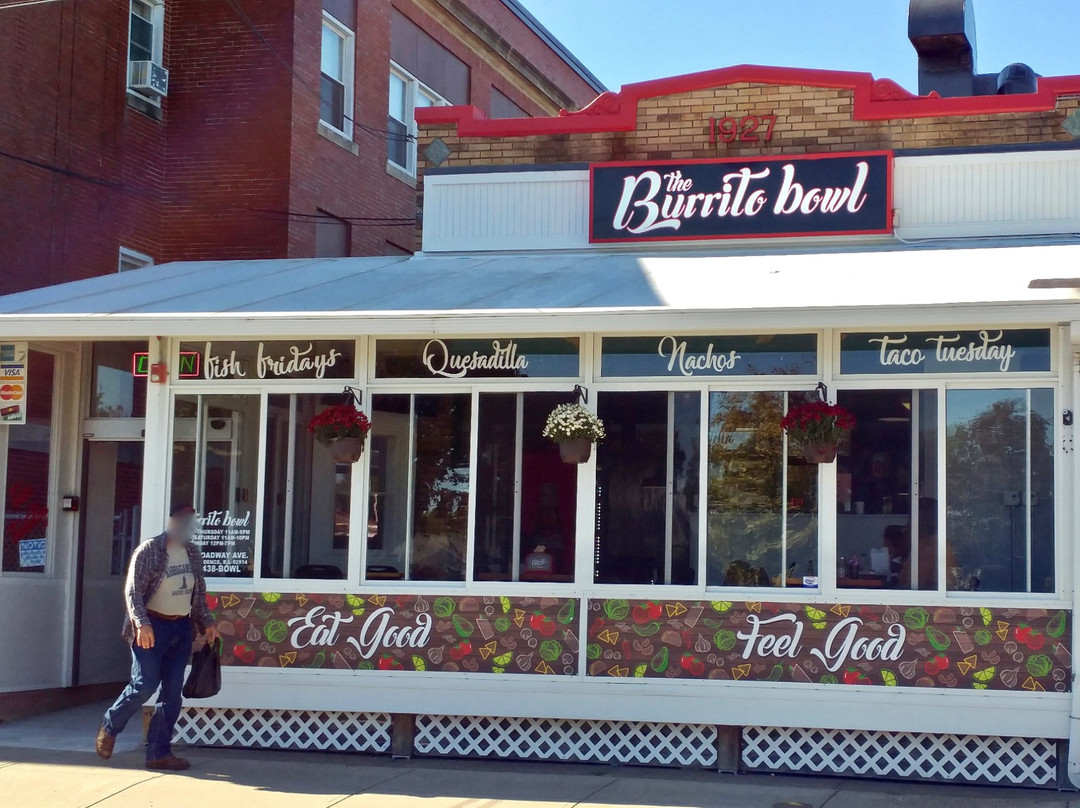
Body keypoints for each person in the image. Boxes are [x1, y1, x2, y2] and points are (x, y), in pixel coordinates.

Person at [96, 506, 219, 770]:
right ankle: (110, 725)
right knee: (145, 684)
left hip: (181, 628)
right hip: (152, 626)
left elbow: (198, 596)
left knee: (172, 694)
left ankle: (158, 753)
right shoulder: (149, 550)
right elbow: (133, 592)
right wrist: (142, 624)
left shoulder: (193, 554)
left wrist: (207, 623)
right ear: (173, 521)